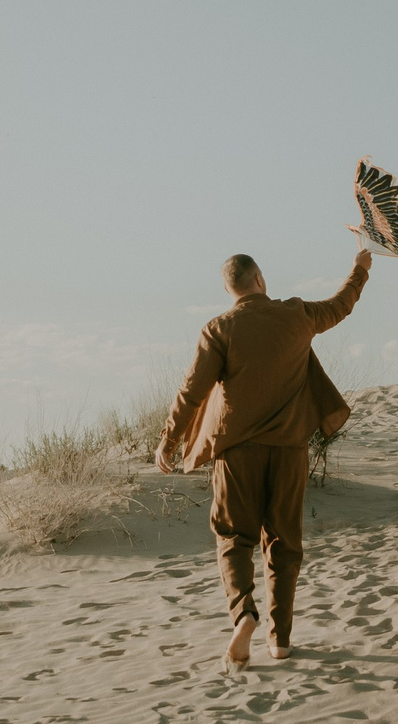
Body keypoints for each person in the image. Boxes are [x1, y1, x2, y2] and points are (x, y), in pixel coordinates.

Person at [155, 247, 369, 670]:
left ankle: (244, 615)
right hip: (289, 451)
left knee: (233, 537)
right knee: (284, 543)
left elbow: (191, 391)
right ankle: (281, 641)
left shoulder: (220, 329)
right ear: (260, 280)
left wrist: (169, 438)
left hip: (237, 454)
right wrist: (359, 270)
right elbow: (340, 305)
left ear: (229, 290)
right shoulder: (296, 315)